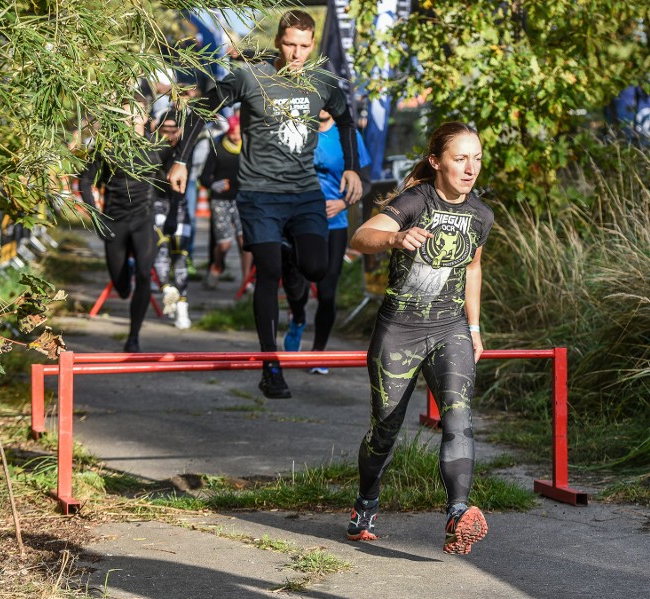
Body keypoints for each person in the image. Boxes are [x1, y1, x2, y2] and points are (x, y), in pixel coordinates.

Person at [169, 10, 363, 399]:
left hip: (305, 192)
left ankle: (292, 269)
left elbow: (345, 120)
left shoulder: (321, 81)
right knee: (268, 271)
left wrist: (354, 170)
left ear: (312, 45)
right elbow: (202, 110)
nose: (296, 53)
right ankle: (270, 365)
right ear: (278, 41)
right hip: (259, 194)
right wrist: (181, 160)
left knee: (315, 266)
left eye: (304, 46)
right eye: (290, 44)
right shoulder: (250, 77)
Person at [346, 121, 494, 555]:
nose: (471, 168)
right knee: (385, 430)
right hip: (400, 331)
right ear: (436, 162)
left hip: (449, 329)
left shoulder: (481, 214)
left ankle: (458, 514)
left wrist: (475, 328)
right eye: (460, 158)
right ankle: (366, 504)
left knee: (459, 418)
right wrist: (395, 236)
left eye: (477, 158)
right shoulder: (416, 199)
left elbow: (472, 268)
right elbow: (361, 236)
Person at [282, 110, 371, 373]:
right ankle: (297, 318)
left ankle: (318, 353)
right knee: (297, 287)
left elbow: (365, 181)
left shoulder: (348, 135)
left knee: (328, 291)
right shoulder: (296, 128)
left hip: (335, 222)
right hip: (298, 221)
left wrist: (343, 202)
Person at [95, 102, 159, 353]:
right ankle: (124, 280)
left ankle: (133, 337)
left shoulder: (156, 147)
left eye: (136, 113)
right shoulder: (106, 148)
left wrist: (174, 214)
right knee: (122, 288)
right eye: (125, 113)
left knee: (145, 274)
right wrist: (96, 217)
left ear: (145, 117)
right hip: (115, 221)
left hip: (144, 220)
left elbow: (175, 178)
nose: (130, 118)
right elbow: (86, 180)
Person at [198, 113, 252, 290]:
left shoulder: (249, 148)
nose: (236, 137)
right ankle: (216, 266)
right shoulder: (218, 147)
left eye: (239, 133)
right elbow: (203, 177)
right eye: (233, 133)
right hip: (221, 200)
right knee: (224, 243)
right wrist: (213, 184)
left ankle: (246, 280)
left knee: (245, 241)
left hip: (243, 199)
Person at [153, 110, 193, 330]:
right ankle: (167, 289)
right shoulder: (153, 148)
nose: (169, 135)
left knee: (180, 256)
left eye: (173, 130)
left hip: (179, 205)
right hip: (157, 203)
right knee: (160, 251)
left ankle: (182, 308)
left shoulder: (186, 150)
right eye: (164, 130)